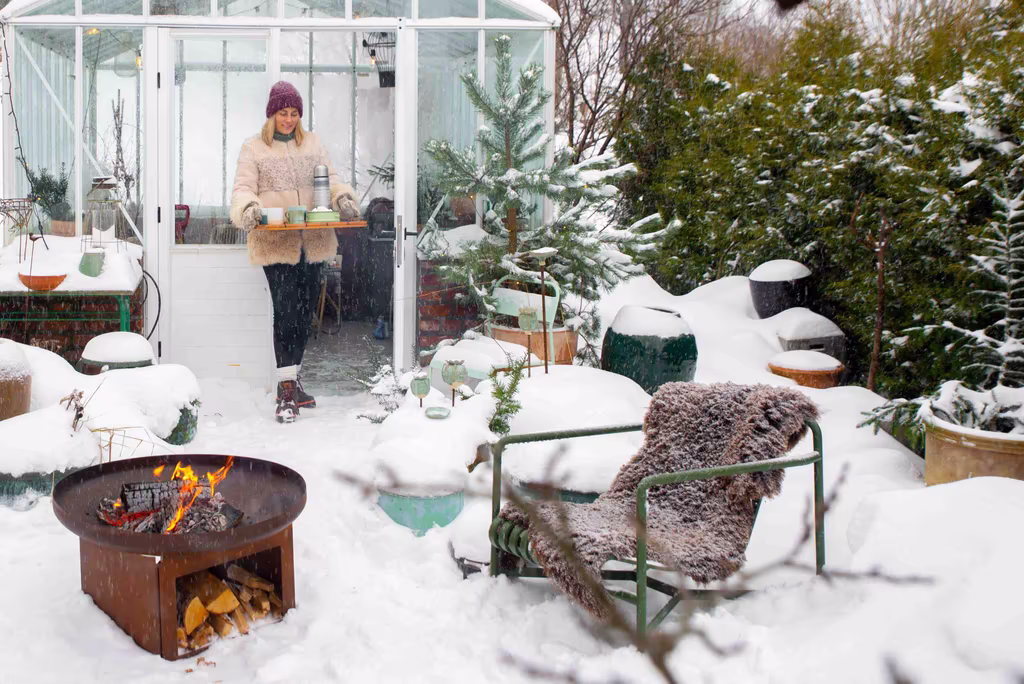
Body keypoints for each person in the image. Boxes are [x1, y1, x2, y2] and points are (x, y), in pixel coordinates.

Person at [230, 81, 360, 423]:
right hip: (276, 243)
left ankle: (293, 379)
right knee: (286, 310)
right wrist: (249, 209)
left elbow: (332, 180)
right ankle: (285, 390)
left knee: (304, 315)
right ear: (271, 114)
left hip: (313, 242)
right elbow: (243, 189)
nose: (288, 119)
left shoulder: (313, 144)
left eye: (293, 113)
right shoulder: (254, 148)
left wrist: (343, 199)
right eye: (282, 113)